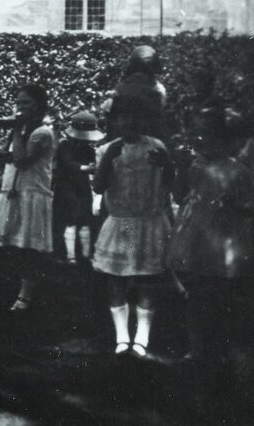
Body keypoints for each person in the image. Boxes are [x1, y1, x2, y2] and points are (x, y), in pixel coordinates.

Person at [167, 102, 254, 363]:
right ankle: (197, 348)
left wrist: (235, 206)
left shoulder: (239, 171)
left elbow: (249, 207)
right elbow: (179, 194)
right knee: (196, 294)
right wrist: (181, 170)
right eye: (201, 136)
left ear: (228, 141)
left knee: (219, 296)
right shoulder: (196, 166)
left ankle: (220, 348)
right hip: (196, 236)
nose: (205, 142)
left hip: (222, 241)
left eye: (212, 137)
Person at [92, 93, 174, 357]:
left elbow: (170, 182)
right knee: (118, 277)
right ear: (114, 121)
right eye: (123, 117)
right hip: (123, 223)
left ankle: (142, 336)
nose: (129, 122)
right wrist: (109, 158)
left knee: (146, 278)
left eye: (136, 117)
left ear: (145, 120)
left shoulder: (156, 147)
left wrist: (168, 164)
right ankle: (122, 335)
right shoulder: (107, 149)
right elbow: (98, 185)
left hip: (148, 222)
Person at [0, 83, 55, 311]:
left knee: (27, 248)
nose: (20, 108)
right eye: (18, 102)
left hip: (32, 195)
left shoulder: (43, 133)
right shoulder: (19, 132)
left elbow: (22, 160)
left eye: (26, 103)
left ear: (39, 105)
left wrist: (17, 131)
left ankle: (25, 296)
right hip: (10, 192)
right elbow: (12, 163)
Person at [54, 111, 104, 264]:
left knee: (84, 219)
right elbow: (69, 164)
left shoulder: (86, 147)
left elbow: (93, 160)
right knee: (68, 219)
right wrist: (85, 168)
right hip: (65, 185)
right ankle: (68, 255)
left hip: (81, 185)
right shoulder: (64, 144)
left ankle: (84, 254)